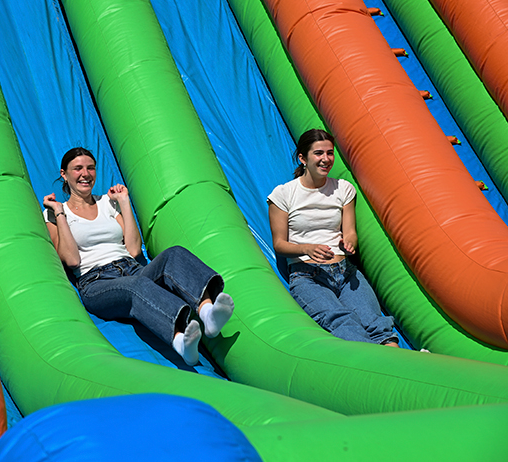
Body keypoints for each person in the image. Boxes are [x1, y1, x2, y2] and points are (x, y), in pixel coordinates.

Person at [42, 148, 235, 366]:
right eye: (78, 168)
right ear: (64, 174)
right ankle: (180, 341)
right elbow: (72, 260)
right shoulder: (55, 212)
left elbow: (134, 250)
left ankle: (207, 313)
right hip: (97, 282)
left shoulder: (107, 203)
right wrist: (59, 211)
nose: (85, 174)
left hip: (132, 268)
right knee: (136, 285)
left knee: (174, 253)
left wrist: (124, 202)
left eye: (91, 168)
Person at [267, 129, 398, 347]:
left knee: (377, 325)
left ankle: (403, 360)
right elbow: (279, 244)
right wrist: (306, 248)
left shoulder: (343, 189)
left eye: (330, 153)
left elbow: (350, 232)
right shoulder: (283, 194)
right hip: (308, 276)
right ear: (303, 158)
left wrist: (349, 243)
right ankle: (382, 363)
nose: (326, 159)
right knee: (344, 324)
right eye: (318, 153)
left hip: (345, 273)